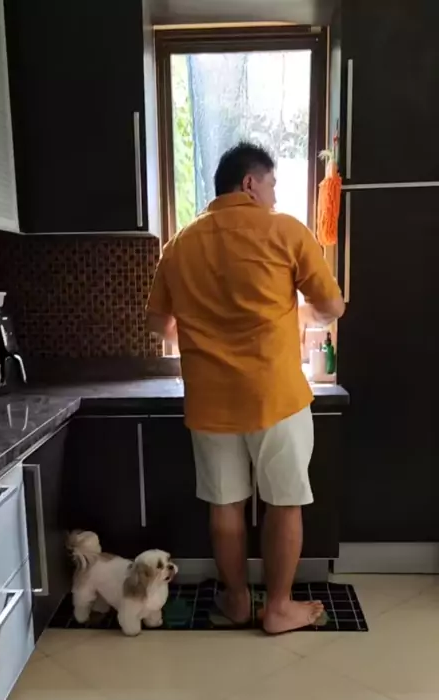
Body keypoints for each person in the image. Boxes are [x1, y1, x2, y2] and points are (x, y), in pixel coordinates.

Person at [147, 142, 345, 634]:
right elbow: (332, 307)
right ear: (250, 183)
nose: (274, 196)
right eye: (272, 184)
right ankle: (278, 608)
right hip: (276, 396)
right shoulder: (284, 231)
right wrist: (300, 315)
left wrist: (203, 333)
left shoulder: (180, 245)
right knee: (284, 501)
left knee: (225, 505)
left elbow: (159, 324)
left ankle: (236, 602)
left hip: (210, 400)